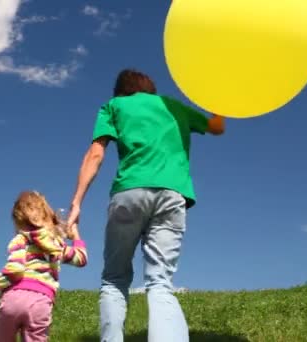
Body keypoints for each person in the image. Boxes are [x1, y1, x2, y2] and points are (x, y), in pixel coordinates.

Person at [67, 69, 225, 342]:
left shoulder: (114, 106)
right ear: (149, 87)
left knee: (114, 279)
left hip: (129, 192)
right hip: (171, 195)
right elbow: (216, 128)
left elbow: (96, 154)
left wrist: (77, 202)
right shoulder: (172, 106)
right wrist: (219, 104)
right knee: (160, 282)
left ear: (120, 91)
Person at [0, 190, 88, 342]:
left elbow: (15, 270)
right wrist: (75, 235)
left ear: (19, 221)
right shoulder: (56, 244)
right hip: (41, 302)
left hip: (13, 300)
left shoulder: (19, 240)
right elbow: (81, 259)